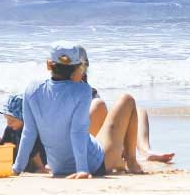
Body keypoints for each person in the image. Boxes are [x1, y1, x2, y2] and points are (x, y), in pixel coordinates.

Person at [13, 42, 145, 178]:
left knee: (96, 112)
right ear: (78, 67)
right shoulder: (82, 90)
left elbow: (29, 132)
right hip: (95, 164)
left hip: (58, 167)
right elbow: (77, 131)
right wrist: (83, 169)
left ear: (48, 64)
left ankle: (119, 158)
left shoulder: (32, 89)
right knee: (127, 100)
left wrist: (17, 168)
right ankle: (131, 161)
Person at [76, 45, 175, 164]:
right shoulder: (75, 92)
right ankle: (129, 156)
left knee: (139, 111)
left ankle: (145, 151)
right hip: (85, 144)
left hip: (94, 138)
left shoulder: (88, 91)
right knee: (101, 106)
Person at [0, 94, 48, 173]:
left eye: (12, 120)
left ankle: (40, 168)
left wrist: (41, 166)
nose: (8, 123)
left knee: (32, 148)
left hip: (37, 160)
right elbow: (0, 146)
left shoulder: (32, 131)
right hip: (20, 161)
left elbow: (36, 152)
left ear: (25, 118)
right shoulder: (10, 129)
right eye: (6, 119)